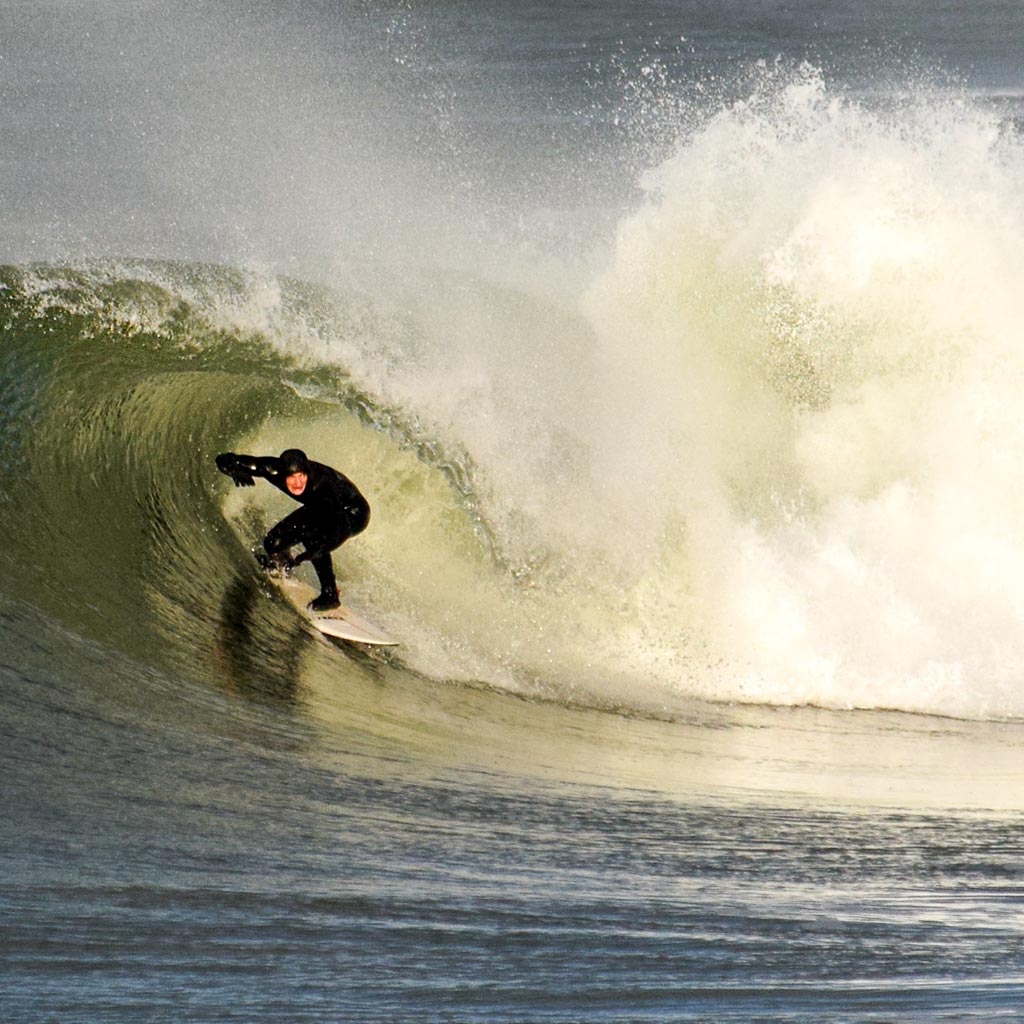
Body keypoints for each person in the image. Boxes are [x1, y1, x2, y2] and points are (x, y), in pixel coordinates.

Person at [215, 448, 370, 612]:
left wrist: (316, 551)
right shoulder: (271, 469)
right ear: (282, 473)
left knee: (314, 536)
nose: (297, 483)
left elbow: (339, 530)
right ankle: (283, 563)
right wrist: (234, 471)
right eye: (292, 477)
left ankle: (330, 595)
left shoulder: (321, 485)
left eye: (301, 476)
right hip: (319, 507)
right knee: (273, 544)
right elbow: (225, 459)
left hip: (352, 513)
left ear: (307, 473)